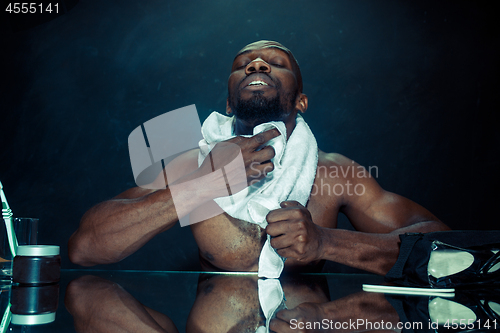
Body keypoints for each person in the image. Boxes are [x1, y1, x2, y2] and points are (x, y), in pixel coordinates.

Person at [68, 40, 450, 275]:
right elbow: (85, 248)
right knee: (88, 301)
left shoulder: (335, 172)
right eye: (243, 64)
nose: (256, 64)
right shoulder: (193, 165)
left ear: (301, 101)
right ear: (231, 101)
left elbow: (445, 243)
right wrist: (204, 186)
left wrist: (327, 243)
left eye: (275, 62)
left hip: (303, 321)